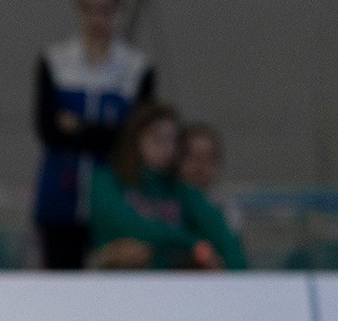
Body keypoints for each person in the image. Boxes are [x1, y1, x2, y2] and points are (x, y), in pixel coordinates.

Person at [34, 0, 155, 270]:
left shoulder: (137, 68)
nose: (97, 20)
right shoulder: (54, 61)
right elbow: (48, 130)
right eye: (89, 9)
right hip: (61, 196)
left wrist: (79, 128)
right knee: (61, 279)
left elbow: (134, 137)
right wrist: (105, 131)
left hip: (117, 196)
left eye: (106, 10)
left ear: (118, 8)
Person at [86, 102, 247, 270]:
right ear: (136, 139)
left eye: (173, 141)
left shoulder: (181, 189)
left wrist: (239, 277)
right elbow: (129, 225)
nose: (167, 149)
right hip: (115, 278)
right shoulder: (106, 181)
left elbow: (222, 236)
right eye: (158, 139)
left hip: (167, 280)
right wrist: (191, 242)